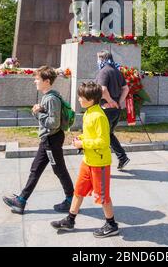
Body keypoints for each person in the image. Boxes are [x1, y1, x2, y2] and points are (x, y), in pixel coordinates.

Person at [51, 82, 119, 238]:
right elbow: (91, 136)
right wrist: (80, 138)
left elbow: (104, 142)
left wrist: (83, 143)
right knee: (79, 191)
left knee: (102, 196)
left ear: (91, 99)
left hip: (99, 164)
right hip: (88, 161)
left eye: (82, 96)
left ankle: (112, 224)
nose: (79, 99)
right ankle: (70, 220)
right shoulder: (89, 112)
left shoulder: (99, 116)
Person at [3, 66, 74, 214]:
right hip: (48, 139)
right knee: (36, 169)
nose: (35, 81)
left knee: (58, 170)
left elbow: (54, 123)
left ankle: (71, 199)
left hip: (52, 140)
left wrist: (37, 113)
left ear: (47, 81)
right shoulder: (48, 97)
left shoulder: (52, 99)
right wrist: (41, 110)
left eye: (37, 79)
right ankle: (21, 200)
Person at [96, 50, 130, 170]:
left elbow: (103, 90)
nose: (97, 61)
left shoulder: (104, 71)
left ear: (102, 59)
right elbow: (126, 89)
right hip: (116, 110)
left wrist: (110, 101)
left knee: (101, 137)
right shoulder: (116, 71)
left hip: (106, 109)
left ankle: (101, 164)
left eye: (98, 58)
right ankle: (122, 157)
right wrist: (119, 102)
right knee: (108, 135)